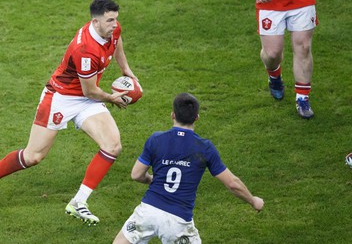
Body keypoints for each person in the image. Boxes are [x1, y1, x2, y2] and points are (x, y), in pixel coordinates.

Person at [0, 0, 138, 225]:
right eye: (109, 20)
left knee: (112, 145)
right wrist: (112, 99)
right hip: (61, 98)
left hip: (87, 96)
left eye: (115, 19)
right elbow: (90, 91)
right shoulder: (85, 49)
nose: (114, 24)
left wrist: (126, 69)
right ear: (95, 22)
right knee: (34, 156)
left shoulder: (112, 29)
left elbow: (116, 41)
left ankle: (79, 202)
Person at [113, 93, 264, 244]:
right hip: (177, 221)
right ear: (197, 117)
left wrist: (151, 179)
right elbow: (232, 183)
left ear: (172, 115)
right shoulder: (204, 148)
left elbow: (136, 175)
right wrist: (253, 200)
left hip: (148, 211)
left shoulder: (156, 139)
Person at [236, 0, 317, 119]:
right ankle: (274, 75)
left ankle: (302, 98)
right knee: (273, 54)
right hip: (270, 0)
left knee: (303, 47)